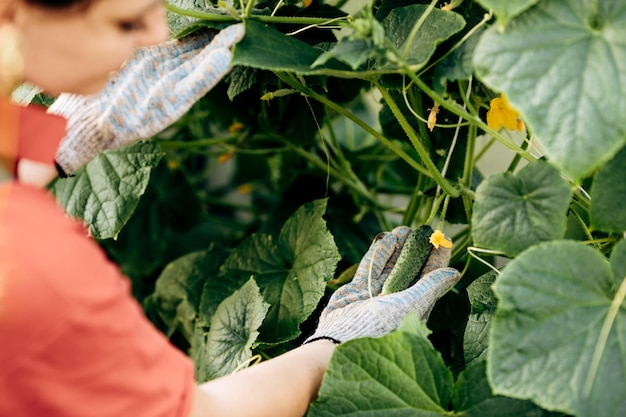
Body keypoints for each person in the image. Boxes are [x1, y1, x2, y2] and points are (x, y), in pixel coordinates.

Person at [0, 0, 462, 416]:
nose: (160, 33)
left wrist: (55, 138)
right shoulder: (36, 268)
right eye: (127, 21)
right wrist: (335, 346)